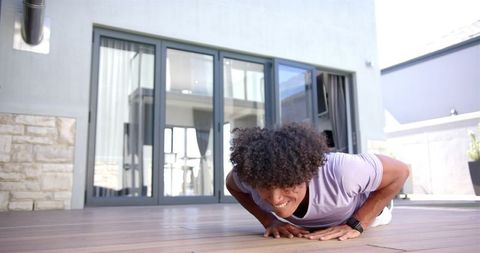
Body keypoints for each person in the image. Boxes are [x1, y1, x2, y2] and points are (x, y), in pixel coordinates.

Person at [226, 123, 409, 241]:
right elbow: (231, 185)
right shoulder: (250, 175)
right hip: (318, 224)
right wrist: (269, 220)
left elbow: (401, 171)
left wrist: (359, 223)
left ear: (306, 174)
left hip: (368, 212)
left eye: (287, 184)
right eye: (265, 187)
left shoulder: (342, 171)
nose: (274, 199)